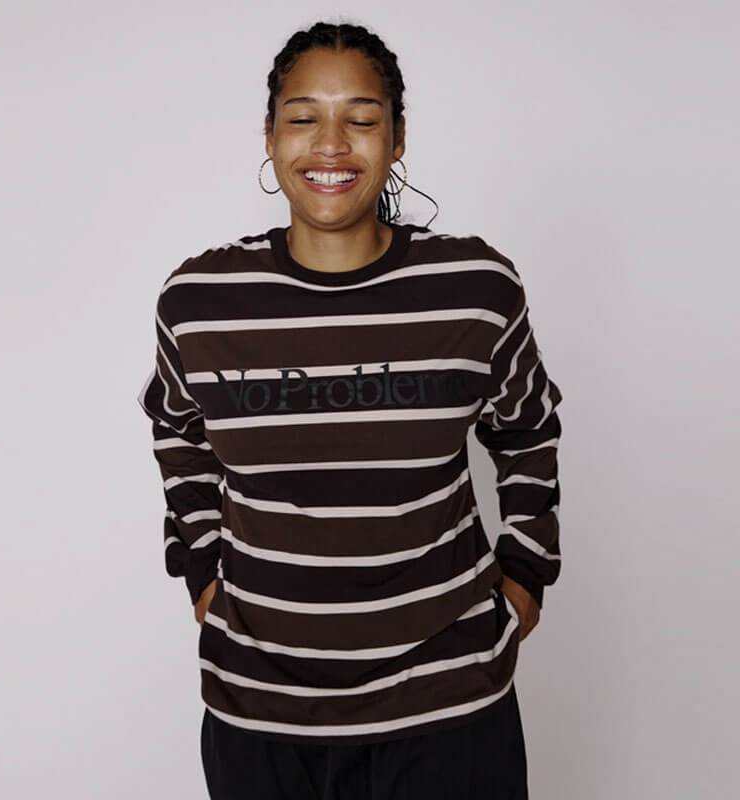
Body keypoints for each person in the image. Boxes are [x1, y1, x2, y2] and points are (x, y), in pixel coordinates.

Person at [137, 20, 563, 800]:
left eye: (361, 119)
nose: (331, 144)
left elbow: (528, 429)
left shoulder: (476, 288)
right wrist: (201, 569)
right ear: (270, 138)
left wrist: (527, 577)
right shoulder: (200, 303)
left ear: (396, 139)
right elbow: (178, 431)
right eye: (304, 118)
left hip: (451, 706)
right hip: (261, 713)